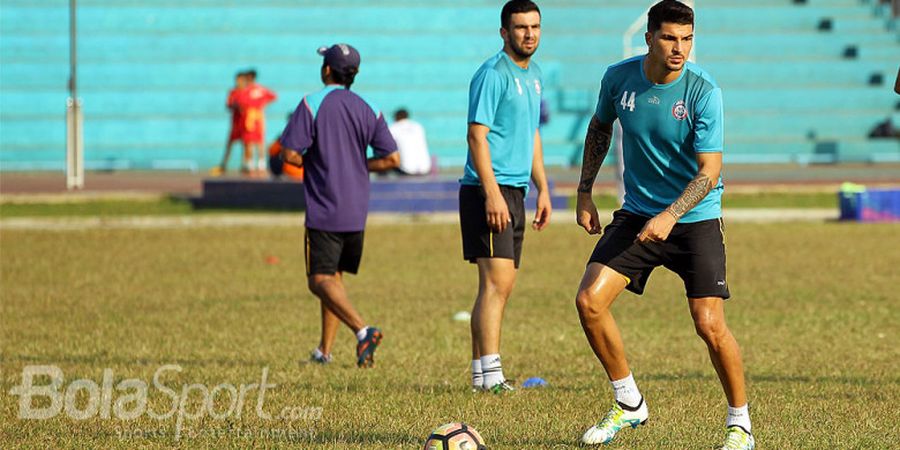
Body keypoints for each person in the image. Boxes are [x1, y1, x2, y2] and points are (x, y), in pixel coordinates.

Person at [574, 2, 754, 449]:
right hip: (638, 215)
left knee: (709, 324)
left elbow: (709, 170)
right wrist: (584, 192)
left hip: (694, 218)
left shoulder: (703, 91)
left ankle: (740, 424)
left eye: (687, 39)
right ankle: (629, 401)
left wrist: (671, 215)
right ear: (649, 37)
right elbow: (599, 129)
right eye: (671, 38)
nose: (680, 48)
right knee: (589, 301)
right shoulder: (618, 78)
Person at [279, 43, 399, 368]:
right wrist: (359, 165)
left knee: (318, 280)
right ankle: (324, 351)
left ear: (326, 70)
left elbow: (289, 154)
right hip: (356, 208)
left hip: (324, 206)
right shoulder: (369, 107)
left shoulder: (312, 104)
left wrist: (316, 162)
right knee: (334, 279)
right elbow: (391, 158)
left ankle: (363, 331)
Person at [459, 0, 551, 394]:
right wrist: (492, 194)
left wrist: (544, 188)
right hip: (487, 190)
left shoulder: (535, 75)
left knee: (502, 284)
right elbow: (476, 135)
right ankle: (491, 376)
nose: (528, 34)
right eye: (520, 27)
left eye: (534, 27)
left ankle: (483, 375)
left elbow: (531, 133)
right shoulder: (493, 74)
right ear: (504, 32)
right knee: (496, 284)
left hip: (517, 190)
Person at [239, 69, 277, 175]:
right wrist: (262, 104)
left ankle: (252, 164)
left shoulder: (246, 90)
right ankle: (260, 164)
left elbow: (240, 102)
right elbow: (272, 96)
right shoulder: (260, 89)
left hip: (250, 117)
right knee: (258, 141)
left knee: (251, 142)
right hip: (258, 117)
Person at [210, 71, 248, 176]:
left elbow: (250, 105)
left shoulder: (246, 92)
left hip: (245, 123)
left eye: (240, 80)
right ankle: (224, 165)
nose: (238, 82)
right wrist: (235, 106)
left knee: (246, 145)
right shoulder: (233, 92)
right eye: (237, 80)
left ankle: (245, 165)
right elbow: (228, 104)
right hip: (235, 123)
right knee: (230, 144)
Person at [388, 108, 432, 175]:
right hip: (425, 168)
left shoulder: (393, 128)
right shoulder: (418, 126)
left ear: (396, 117)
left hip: (406, 169)